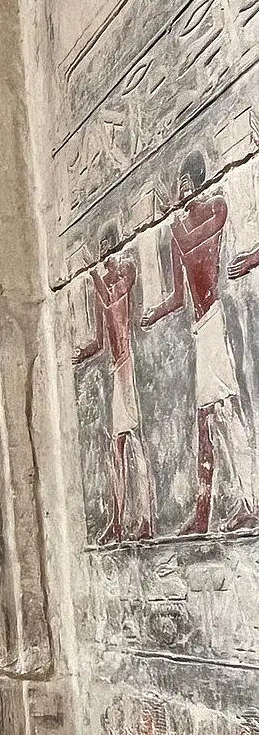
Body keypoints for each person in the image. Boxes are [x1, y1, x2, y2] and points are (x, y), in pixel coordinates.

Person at [141, 152, 257, 535]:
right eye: (180, 187)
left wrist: (170, 217)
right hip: (198, 329)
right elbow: (178, 296)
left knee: (226, 410)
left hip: (216, 321)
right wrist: (155, 313)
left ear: (198, 181)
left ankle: (249, 502)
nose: (183, 191)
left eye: (186, 184)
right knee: (204, 422)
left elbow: (193, 242)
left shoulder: (215, 207)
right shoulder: (179, 229)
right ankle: (204, 511)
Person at [73, 225, 153, 543]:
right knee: (117, 446)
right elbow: (100, 339)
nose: (106, 253)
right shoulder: (102, 282)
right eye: (102, 248)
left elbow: (112, 299)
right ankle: (118, 521)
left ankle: (145, 519)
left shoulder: (125, 270)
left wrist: (92, 272)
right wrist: (82, 354)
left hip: (130, 365)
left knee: (133, 441)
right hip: (115, 369)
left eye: (109, 246)